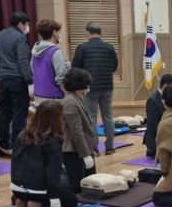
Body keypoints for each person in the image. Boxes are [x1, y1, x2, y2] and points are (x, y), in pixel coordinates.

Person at [10, 101, 78, 207]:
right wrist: (54, 197)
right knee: (72, 201)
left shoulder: (22, 134)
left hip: (17, 189)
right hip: (37, 191)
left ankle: (22, 200)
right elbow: (53, 173)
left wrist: (16, 193)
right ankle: (38, 204)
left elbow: (15, 164)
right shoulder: (52, 141)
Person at [0, 11, 33, 155]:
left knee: (5, 111)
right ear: (20, 24)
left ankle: (3, 143)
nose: (27, 27)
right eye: (26, 24)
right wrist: (30, 81)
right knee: (20, 113)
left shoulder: (2, 34)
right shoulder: (20, 38)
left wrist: (1, 61)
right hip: (18, 79)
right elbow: (23, 61)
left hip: (4, 78)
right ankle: (18, 144)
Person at [72, 21, 119, 155]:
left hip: (89, 88)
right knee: (108, 117)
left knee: (91, 117)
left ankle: (94, 148)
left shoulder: (82, 48)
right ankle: (109, 147)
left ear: (88, 33)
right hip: (107, 86)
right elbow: (115, 66)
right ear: (100, 33)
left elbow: (75, 67)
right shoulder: (109, 47)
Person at [61, 68, 97, 193]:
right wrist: (86, 154)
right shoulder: (70, 102)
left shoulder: (77, 98)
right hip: (74, 151)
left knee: (90, 183)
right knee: (77, 187)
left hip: (82, 149)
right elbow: (76, 132)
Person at [31, 19, 67, 105]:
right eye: (59, 32)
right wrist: (68, 93)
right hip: (54, 97)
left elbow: (33, 71)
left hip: (38, 94)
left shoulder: (34, 51)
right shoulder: (55, 51)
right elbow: (61, 76)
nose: (60, 34)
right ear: (54, 33)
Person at [144, 73, 172, 158]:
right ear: (165, 86)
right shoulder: (153, 100)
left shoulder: (167, 97)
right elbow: (153, 126)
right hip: (156, 143)